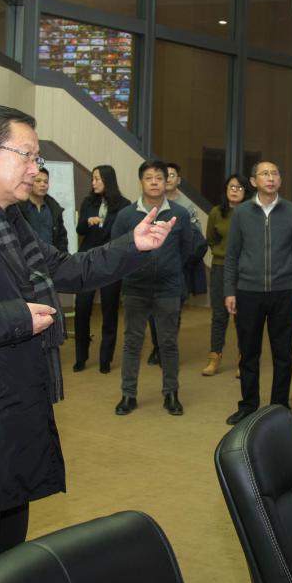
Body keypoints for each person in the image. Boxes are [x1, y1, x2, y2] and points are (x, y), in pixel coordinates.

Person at [0, 105, 174, 583]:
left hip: (11, 414)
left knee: (5, 570)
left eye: (36, 157)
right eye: (26, 155)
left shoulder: (10, 221)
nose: (35, 168)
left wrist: (131, 246)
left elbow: (67, 269)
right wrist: (16, 317)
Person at [110, 161, 206, 416]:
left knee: (168, 343)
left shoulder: (179, 214)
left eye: (159, 178)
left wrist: (168, 267)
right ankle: (128, 395)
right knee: (132, 342)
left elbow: (187, 248)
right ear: (141, 182)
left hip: (168, 289)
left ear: (166, 182)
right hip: (135, 288)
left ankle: (171, 393)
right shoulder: (126, 215)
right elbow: (117, 248)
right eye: (149, 177)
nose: (154, 182)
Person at [223, 161, 292, 425]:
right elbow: (232, 255)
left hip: (284, 292)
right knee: (248, 353)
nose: (270, 178)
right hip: (248, 292)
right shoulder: (241, 213)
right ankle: (248, 405)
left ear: (280, 181)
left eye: (275, 173)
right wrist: (229, 290)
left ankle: (279, 406)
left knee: (283, 354)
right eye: (264, 174)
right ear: (253, 181)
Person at [73, 164, 131, 373]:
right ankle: (81, 356)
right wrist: (88, 221)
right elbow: (79, 229)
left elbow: (124, 236)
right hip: (88, 262)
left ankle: (105, 359)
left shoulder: (124, 205)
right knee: (82, 308)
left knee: (109, 311)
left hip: (111, 264)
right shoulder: (89, 201)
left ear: (108, 180)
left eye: (97, 179)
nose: (93, 182)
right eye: (92, 179)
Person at [202, 174, 248, 376]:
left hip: (245, 270)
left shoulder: (251, 212)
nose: (235, 190)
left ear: (246, 192)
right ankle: (214, 357)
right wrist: (222, 254)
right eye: (231, 187)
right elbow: (211, 239)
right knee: (219, 315)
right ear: (226, 189)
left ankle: (244, 358)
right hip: (221, 267)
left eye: (239, 187)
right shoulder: (216, 212)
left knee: (243, 316)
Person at [19, 167, 68, 253]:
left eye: (46, 182)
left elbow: (61, 238)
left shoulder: (54, 208)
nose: (43, 184)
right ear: (30, 182)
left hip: (51, 258)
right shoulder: (19, 207)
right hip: (28, 257)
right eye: (38, 181)